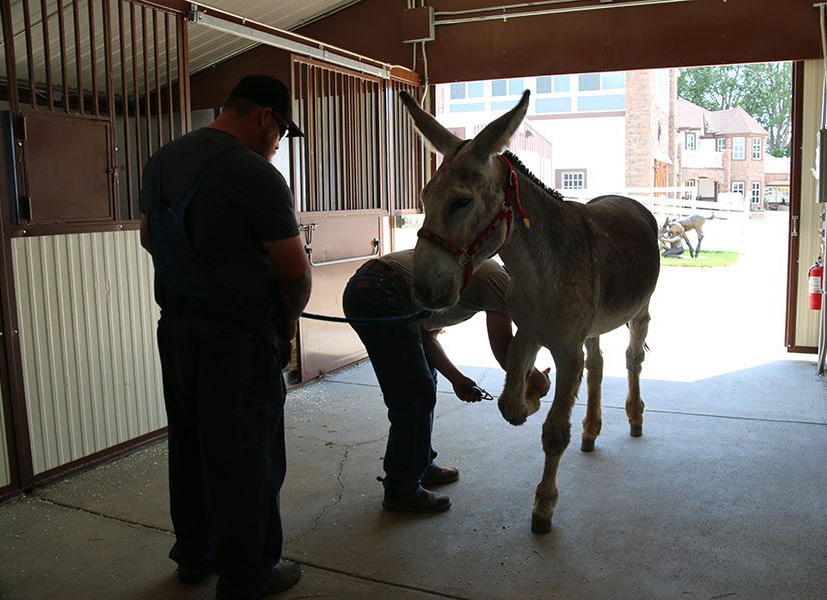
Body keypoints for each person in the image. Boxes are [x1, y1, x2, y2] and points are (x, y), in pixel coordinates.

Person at [139, 74, 312, 600]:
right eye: (280, 130)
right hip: (236, 340)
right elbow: (295, 271)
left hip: (178, 331)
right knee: (248, 455)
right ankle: (247, 574)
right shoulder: (254, 173)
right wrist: (284, 326)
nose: (278, 143)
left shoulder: (162, 159)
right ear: (264, 116)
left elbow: (150, 238)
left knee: (190, 444)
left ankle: (196, 554)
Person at [342, 249, 551, 513]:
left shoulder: (473, 278)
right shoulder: (498, 279)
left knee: (423, 381)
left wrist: (456, 378)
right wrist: (537, 379)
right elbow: (504, 352)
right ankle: (401, 488)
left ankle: (420, 463)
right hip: (380, 290)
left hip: (372, 287)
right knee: (414, 395)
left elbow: (426, 336)